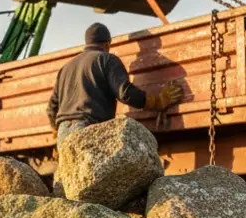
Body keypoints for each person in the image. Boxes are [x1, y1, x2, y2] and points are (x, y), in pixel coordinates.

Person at [47, 22, 184, 142]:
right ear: (107, 43)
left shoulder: (65, 68)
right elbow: (125, 93)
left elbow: (52, 108)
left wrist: (57, 130)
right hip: (89, 127)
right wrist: (157, 101)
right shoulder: (107, 59)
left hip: (63, 131)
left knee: (72, 172)